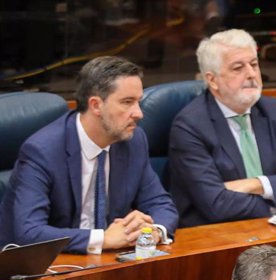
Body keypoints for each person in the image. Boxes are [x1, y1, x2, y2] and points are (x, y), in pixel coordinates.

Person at [0, 56, 178, 254]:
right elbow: (30, 232)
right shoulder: (42, 151)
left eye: (139, 102)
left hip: (107, 263)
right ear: (95, 105)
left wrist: (152, 231)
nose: (138, 113)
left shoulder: (133, 141)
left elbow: (161, 204)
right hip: (44, 268)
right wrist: (103, 239)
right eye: (127, 102)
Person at [168, 29, 276, 227]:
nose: (251, 74)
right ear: (212, 80)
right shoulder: (190, 125)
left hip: (275, 231)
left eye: (254, 64)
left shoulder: (274, 111)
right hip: (217, 237)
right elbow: (216, 204)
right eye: (238, 68)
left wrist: (257, 184)